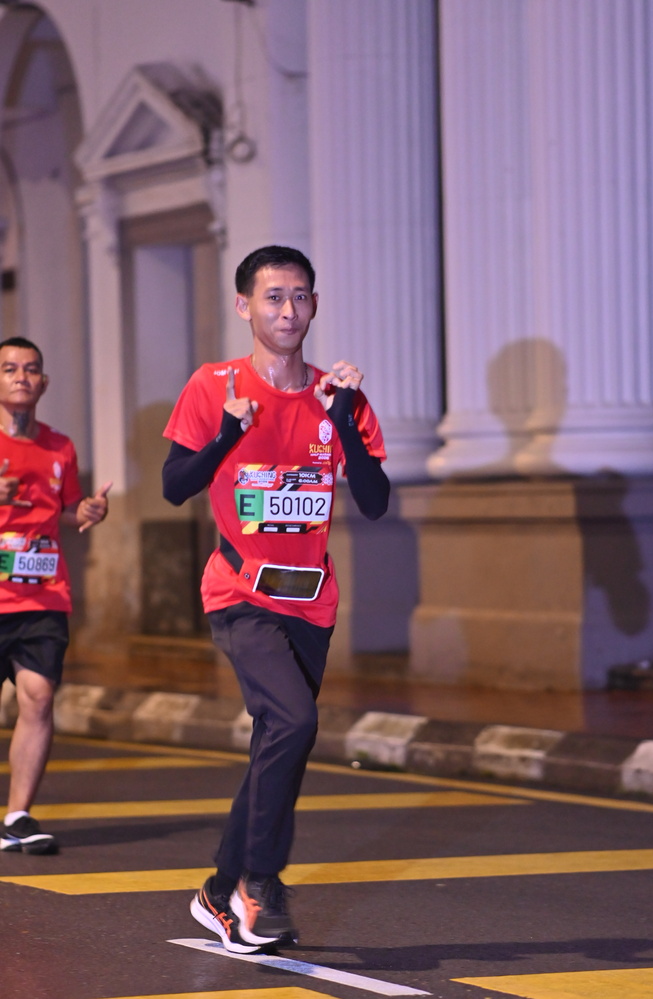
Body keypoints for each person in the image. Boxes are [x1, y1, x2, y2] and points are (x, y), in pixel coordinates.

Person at [162, 245, 389, 953]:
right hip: (239, 590)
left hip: (311, 600)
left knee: (277, 742)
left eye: (300, 296)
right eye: (273, 297)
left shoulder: (337, 395)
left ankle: (216, 891)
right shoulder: (214, 385)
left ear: (314, 305)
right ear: (244, 306)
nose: (288, 310)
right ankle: (258, 884)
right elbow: (174, 485)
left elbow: (375, 501)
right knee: (294, 720)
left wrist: (344, 419)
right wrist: (227, 433)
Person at [0, 337, 110, 855]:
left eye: (31, 370)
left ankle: (17, 816)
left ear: (43, 383)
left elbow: (66, 509)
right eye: (9, 369)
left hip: (42, 594)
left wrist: (85, 512)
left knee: (39, 697)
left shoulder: (59, 447)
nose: (21, 377)